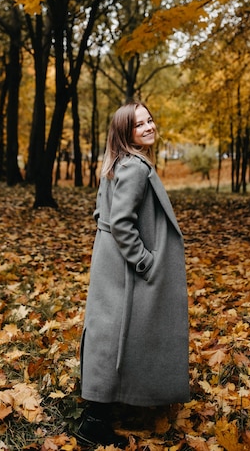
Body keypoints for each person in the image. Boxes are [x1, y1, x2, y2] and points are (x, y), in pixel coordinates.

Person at [76, 100, 190, 448]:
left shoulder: (118, 163)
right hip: (123, 264)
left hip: (109, 259)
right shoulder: (136, 168)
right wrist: (143, 261)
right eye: (139, 125)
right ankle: (93, 421)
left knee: (109, 328)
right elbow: (122, 221)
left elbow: (102, 211)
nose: (149, 127)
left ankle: (103, 405)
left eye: (150, 120)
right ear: (126, 132)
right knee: (116, 330)